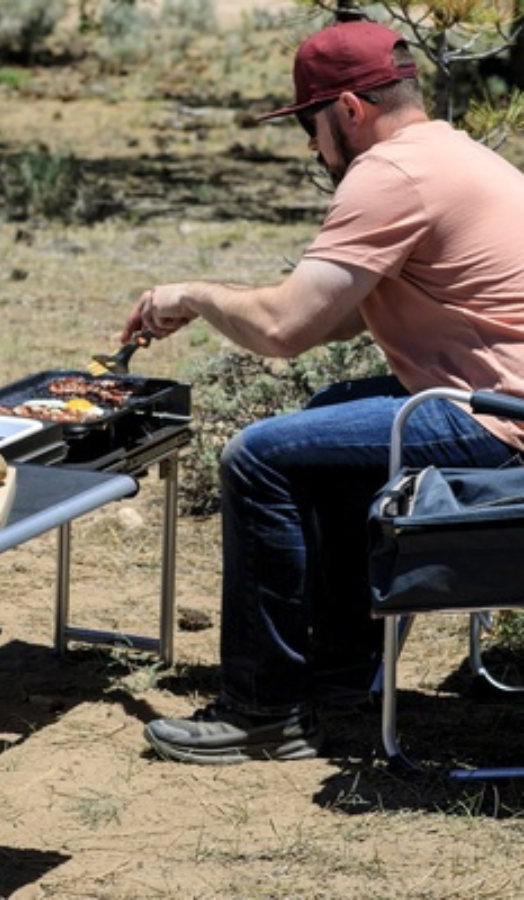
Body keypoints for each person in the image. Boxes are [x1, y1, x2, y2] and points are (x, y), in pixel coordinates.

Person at [123, 18, 524, 765]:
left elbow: (283, 330)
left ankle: (262, 712)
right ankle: (340, 675)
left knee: (257, 457)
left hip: (500, 421)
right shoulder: (446, 151)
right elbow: (333, 322)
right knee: (321, 425)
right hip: (498, 398)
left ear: (348, 108)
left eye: (310, 123)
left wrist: (194, 292)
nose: (310, 144)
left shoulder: (390, 175)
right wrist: (208, 305)